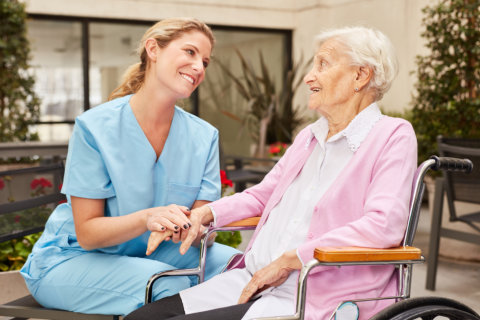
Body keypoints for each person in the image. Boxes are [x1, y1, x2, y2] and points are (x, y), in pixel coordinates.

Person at [125, 26, 418, 320]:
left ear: (360, 75)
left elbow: (384, 225)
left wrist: (293, 259)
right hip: (255, 279)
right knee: (141, 318)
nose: (308, 77)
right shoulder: (309, 137)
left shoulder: (392, 135)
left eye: (323, 64)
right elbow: (262, 195)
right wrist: (205, 214)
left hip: (312, 294)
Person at [20, 17, 239, 316]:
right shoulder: (94, 127)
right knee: (167, 286)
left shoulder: (204, 137)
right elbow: (88, 233)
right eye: (189, 52)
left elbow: (203, 225)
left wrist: (193, 228)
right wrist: (149, 217)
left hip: (156, 252)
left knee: (244, 268)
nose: (199, 67)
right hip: (75, 258)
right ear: (153, 49)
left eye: (205, 61)